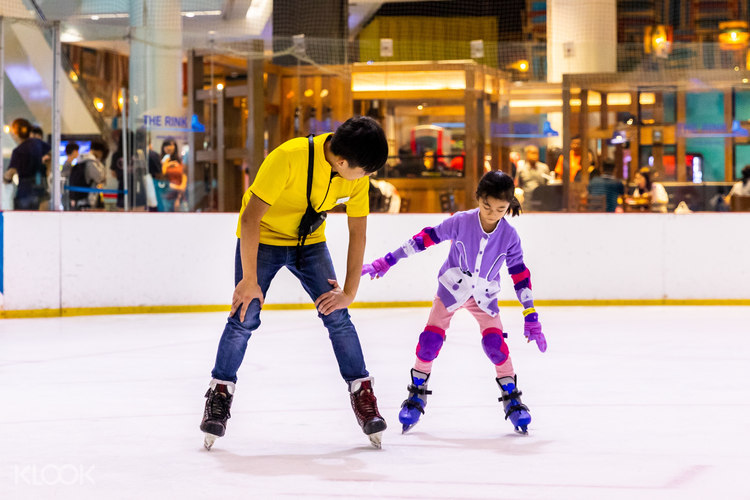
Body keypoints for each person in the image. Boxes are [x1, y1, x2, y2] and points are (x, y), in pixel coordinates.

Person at [200, 116, 390, 450]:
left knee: (337, 315)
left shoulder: (354, 176)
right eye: (364, 171)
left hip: (309, 243)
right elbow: (250, 217)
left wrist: (348, 292)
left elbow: (357, 231)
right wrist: (247, 280)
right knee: (245, 314)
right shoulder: (288, 157)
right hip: (263, 240)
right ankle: (219, 393)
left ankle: (362, 391)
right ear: (343, 162)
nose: (366, 178)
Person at [362, 171, 547, 435]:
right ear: (478, 198)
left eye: (501, 209)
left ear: (509, 206)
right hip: (451, 291)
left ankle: (512, 397)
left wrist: (530, 313)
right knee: (429, 342)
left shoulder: (510, 236)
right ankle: (417, 393)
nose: (492, 213)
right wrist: (388, 260)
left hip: (484, 298)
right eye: (486, 206)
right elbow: (424, 238)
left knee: (496, 346)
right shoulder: (461, 221)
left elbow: (520, 274)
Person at [2, 118, 52, 210]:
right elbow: (51, 154)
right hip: (41, 187)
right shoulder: (38, 143)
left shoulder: (18, 151)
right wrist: (48, 170)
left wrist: (5, 179)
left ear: (16, 133)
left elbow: (11, 172)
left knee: (25, 221)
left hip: (25, 192)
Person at [69, 138, 108, 210]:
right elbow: (99, 178)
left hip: (80, 199)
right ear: (99, 151)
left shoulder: (81, 161)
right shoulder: (91, 163)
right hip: (89, 200)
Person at [514, 145, 550, 211]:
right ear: (526, 154)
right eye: (531, 153)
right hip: (527, 203)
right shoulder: (521, 169)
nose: (534, 156)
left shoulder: (544, 168)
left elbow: (548, 184)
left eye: (536, 153)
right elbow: (519, 185)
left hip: (543, 202)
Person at [161, 137, 187, 211]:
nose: (169, 148)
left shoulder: (179, 160)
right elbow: (162, 174)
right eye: (166, 145)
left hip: (179, 194)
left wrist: (182, 187)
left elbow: (184, 174)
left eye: (171, 145)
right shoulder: (161, 160)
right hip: (167, 194)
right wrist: (167, 164)